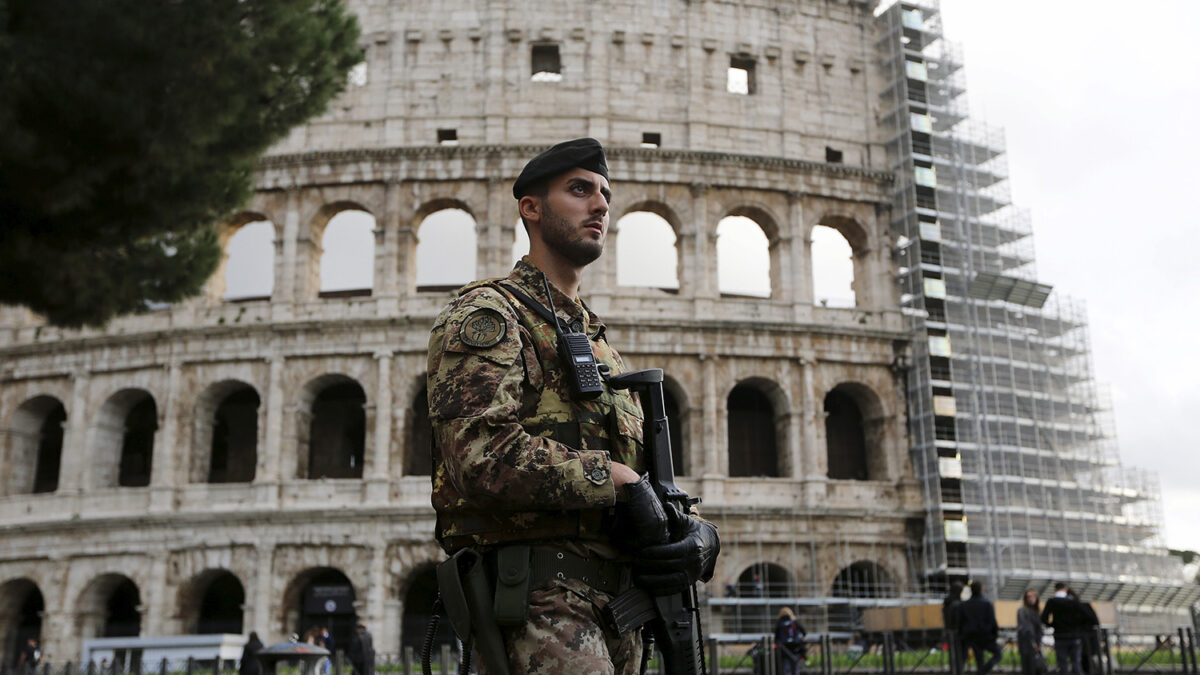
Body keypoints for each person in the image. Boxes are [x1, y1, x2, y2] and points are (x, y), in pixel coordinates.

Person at [427, 138, 720, 674]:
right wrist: (615, 480)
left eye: (605, 193)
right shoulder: (490, 316)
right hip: (541, 605)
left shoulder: (601, 344)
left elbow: (645, 471)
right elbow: (478, 455)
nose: (601, 205)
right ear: (531, 209)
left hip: (619, 616)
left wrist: (699, 531)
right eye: (580, 190)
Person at [1041, 583, 1090, 675]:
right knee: (1076, 664)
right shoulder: (1073, 601)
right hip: (1074, 636)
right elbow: (1086, 616)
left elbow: (1044, 618)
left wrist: (1053, 625)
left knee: (1063, 665)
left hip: (1060, 637)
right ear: (1066, 590)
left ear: (1055, 590)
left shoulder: (1052, 602)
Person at [959, 581, 1002, 675]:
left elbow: (962, 622)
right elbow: (992, 621)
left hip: (972, 637)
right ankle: (983, 670)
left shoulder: (964, 605)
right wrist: (995, 635)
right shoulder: (987, 604)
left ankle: (981, 670)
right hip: (986, 636)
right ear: (981, 590)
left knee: (979, 659)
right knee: (998, 654)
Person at [1017, 590, 1045, 675]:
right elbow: (1026, 628)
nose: (1031, 599)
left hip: (1035, 643)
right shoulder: (1023, 611)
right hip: (1027, 644)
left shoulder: (1036, 611)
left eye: (1033, 596)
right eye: (1029, 597)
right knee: (1028, 668)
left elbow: (1038, 629)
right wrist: (1033, 642)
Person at [774, 607, 807, 675]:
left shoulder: (779, 623)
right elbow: (804, 632)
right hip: (795, 648)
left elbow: (776, 637)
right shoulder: (794, 622)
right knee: (795, 668)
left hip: (784, 649)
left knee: (785, 669)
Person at [943, 582, 966, 675]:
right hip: (958, 633)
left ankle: (954, 671)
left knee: (953, 655)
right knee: (961, 655)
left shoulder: (947, 602)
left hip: (949, 631)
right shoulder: (957, 603)